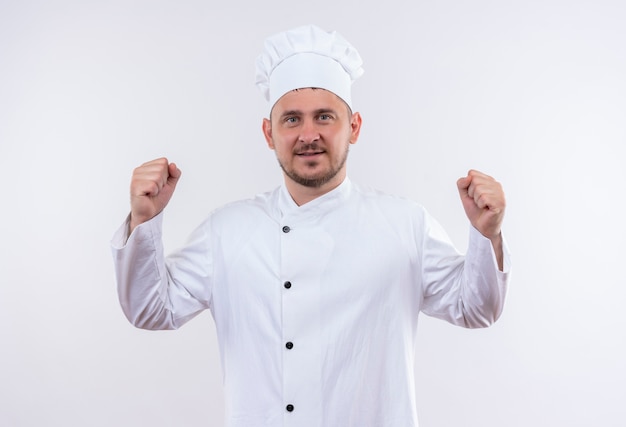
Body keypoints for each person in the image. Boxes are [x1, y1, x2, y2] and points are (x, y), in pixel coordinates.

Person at [111, 25, 510, 427]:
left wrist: (486, 234)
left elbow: (476, 309)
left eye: (324, 117)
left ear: (353, 127)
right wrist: (145, 219)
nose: (308, 135)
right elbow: (151, 309)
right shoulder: (227, 231)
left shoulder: (405, 224)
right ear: (269, 133)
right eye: (291, 120)